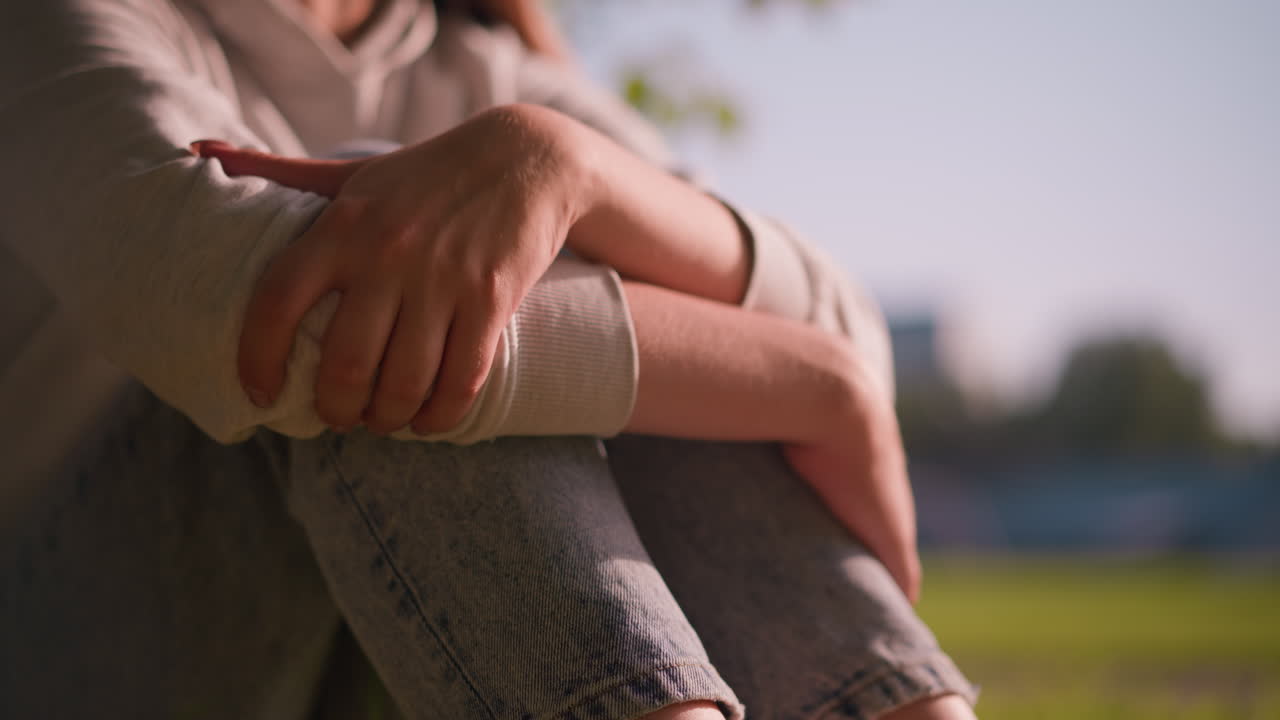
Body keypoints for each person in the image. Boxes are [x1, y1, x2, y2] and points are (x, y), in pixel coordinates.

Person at [0, 0, 978, 718]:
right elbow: (300, 328)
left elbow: (835, 319)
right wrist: (814, 382)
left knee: (510, 308)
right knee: (407, 306)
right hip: (77, 645)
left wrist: (568, 165)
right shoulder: (60, 25)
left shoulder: (491, 72)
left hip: (376, 652)